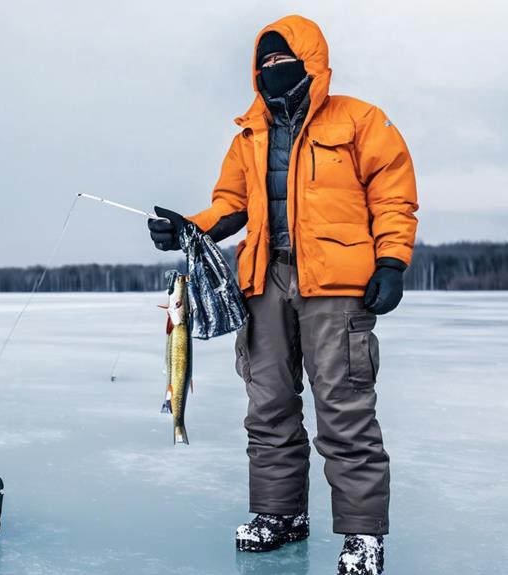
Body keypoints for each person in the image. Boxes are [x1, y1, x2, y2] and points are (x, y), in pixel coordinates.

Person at [147, 15, 417, 575]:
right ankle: (281, 514)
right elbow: (230, 205)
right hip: (263, 283)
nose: (273, 70)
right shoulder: (249, 134)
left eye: (283, 60)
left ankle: (363, 536)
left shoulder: (360, 120)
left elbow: (393, 196)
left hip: (337, 287)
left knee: (344, 410)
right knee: (267, 406)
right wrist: (188, 227)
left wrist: (392, 261)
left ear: (311, 60)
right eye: (264, 63)